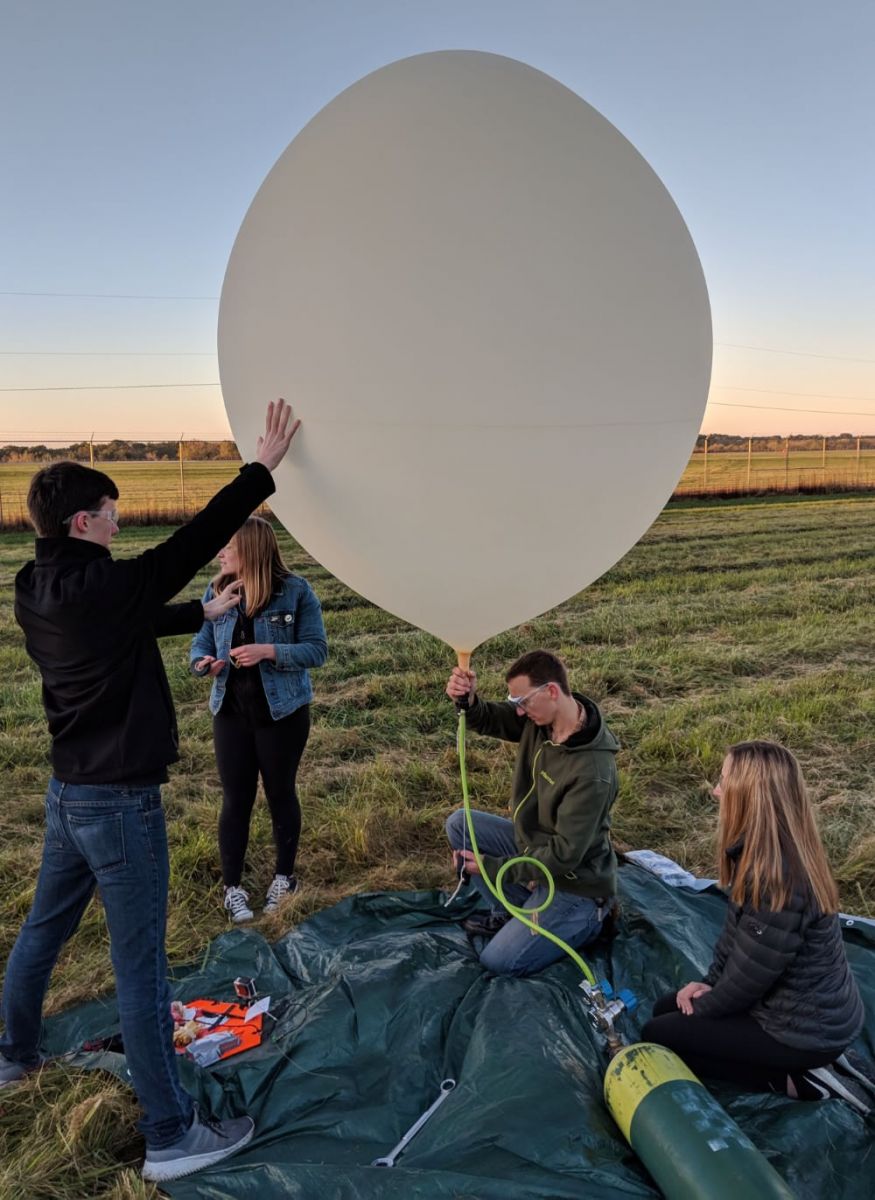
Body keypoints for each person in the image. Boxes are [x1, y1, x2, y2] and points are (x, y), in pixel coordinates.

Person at [0, 399, 298, 1183]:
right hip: (121, 801)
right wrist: (259, 469)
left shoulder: (34, 584)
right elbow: (193, 540)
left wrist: (194, 613)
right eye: (109, 513)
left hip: (71, 792)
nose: (117, 522)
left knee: (41, 932)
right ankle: (172, 1134)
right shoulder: (102, 585)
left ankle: (11, 1057)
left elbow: (116, 621)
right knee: (142, 970)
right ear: (80, 524)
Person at [641, 740, 867, 1109]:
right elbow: (736, 940)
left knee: (658, 1034)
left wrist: (706, 1006)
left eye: (724, 779)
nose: (715, 790)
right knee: (667, 1008)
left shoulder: (775, 878)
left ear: (750, 794)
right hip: (798, 1010)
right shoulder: (764, 851)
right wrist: (709, 983)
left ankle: (803, 1081)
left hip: (804, 1033)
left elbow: (750, 979)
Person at [444, 649, 619, 976]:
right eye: (515, 703)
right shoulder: (542, 721)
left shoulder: (593, 772)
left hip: (575, 885)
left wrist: (492, 868)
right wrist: (466, 700)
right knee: (460, 825)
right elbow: (489, 718)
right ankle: (513, 909)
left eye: (522, 701)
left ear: (551, 691)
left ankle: (589, 923)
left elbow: (564, 855)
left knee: (498, 962)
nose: (519, 712)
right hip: (535, 851)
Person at [190, 516, 327, 922]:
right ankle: (233, 888)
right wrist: (203, 663)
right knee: (236, 798)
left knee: (280, 793)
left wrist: (268, 651)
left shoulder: (296, 592)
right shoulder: (216, 591)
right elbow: (199, 643)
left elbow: (317, 650)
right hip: (230, 714)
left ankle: (283, 878)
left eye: (227, 547)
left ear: (249, 551)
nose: (220, 554)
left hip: (282, 713)